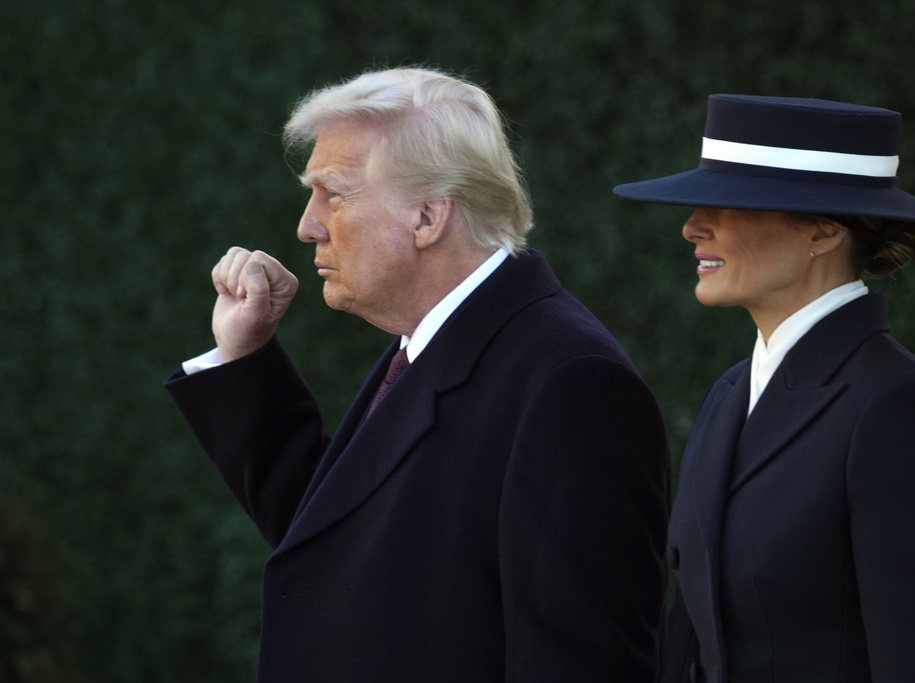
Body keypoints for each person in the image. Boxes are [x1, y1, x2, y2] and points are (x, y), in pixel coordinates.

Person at [165, 67, 671, 682]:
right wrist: (245, 359)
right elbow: (338, 536)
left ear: (428, 217)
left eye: (335, 194)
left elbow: (582, 663)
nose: (307, 225)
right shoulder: (432, 342)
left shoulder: (571, 382)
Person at [614, 95, 915, 683]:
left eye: (727, 204)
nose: (691, 227)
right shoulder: (730, 394)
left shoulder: (893, 403)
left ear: (824, 230)